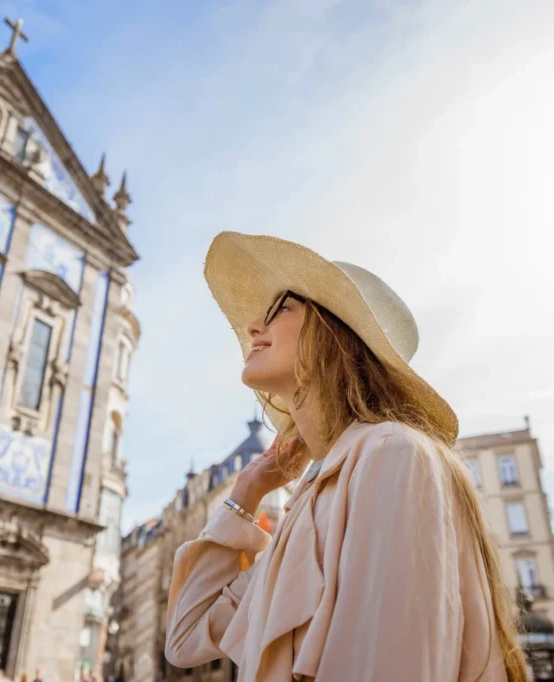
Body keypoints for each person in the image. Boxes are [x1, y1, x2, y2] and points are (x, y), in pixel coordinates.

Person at [165, 233, 527, 681]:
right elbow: (186, 639)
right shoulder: (311, 504)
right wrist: (247, 491)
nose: (255, 327)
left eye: (280, 309)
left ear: (333, 336)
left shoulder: (392, 454)